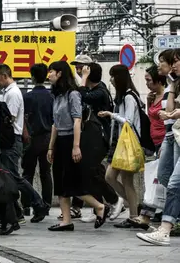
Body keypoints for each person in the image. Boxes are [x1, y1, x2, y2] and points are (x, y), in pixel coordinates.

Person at [47, 61, 109, 232]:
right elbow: (55, 123)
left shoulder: (73, 94)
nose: (49, 75)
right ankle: (66, 221)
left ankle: (100, 207)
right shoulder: (58, 95)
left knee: (72, 183)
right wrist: (51, 147)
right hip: (60, 140)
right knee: (60, 183)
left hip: (70, 140)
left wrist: (76, 146)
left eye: (51, 71)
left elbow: (77, 120)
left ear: (60, 73)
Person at [0, 64, 48, 233]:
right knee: (10, 177)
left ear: (4, 76)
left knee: (14, 177)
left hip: (11, 140)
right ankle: (16, 211)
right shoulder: (9, 92)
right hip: (10, 140)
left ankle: (38, 204)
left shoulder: (13, 94)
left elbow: (10, 120)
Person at [136, 49, 180, 245]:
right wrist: (172, 87)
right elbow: (169, 110)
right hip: (172, 135)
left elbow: (170, 112)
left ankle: (165, 229)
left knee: (174, 184)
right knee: (164, 175)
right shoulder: (174, 84)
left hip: (173, 134)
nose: (160, 65)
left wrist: (172, 115)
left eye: (165, 61)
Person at [98, 64, 143, 228]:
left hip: (128, 143)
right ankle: (134, 207)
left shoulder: (130, 97)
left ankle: (133, 215)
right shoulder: (122, 96)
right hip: (119, 144)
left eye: (113, 76)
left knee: (126, 180)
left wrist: (112, 115)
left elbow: (128, 122)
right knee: (110, 177)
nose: (111, 79)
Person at [76, 63, 121, 223]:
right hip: (93, 136)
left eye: (83, 72)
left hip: (99, 137)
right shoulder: (96, 90)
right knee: (94, 172)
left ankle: (114, 200)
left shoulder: (100, 92)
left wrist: (84, 78)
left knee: (92, 171)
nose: (80, 73)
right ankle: (99, 208)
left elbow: (81, 95)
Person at [21, 64, 54, 216]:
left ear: (32, 77)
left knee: (27, 173)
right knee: (45, 173)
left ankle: (26, 205)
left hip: (30, 139)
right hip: (48, 138)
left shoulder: (27, 97)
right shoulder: (51, 96)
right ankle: (46, 204)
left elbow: (22, 118)